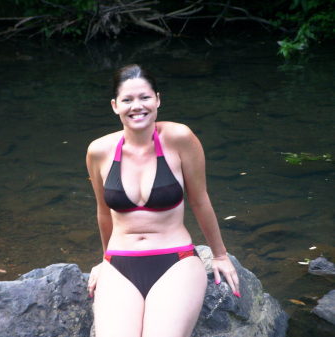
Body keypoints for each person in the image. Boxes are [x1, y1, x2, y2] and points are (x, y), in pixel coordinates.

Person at [86, 64, 240, 337]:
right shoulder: (99, 151)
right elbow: (103, 211)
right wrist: (104, 260)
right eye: (127, 100)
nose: (137, 106)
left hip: (175, 260)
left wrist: (220, 255)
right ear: (114, 105)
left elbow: (200, 200)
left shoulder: (179, 138)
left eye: (145, 97)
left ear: (157, 99)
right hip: (119, 264)